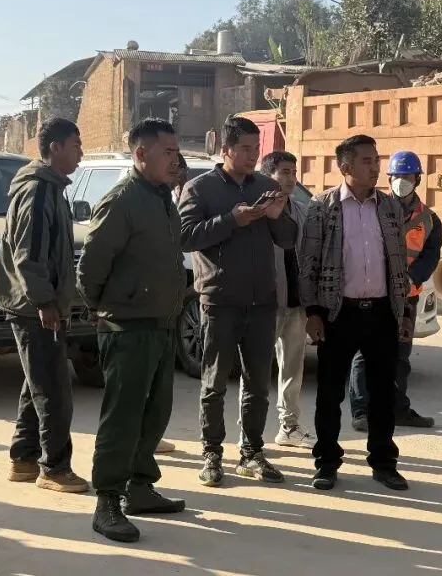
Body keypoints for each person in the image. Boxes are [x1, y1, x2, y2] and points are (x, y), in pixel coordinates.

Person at [79, 118, 188, 543]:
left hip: (161, 324)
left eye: (176, 151)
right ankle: (107, 500)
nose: (175, 160)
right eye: (167, 152)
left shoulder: (162, 198)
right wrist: (102, 307)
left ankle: (140, 487)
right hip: (127, 327)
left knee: (154, 412)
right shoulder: (122, 200)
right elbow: (91, 266)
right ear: (141, 154)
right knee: (122, 418)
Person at [179, 116, 297, 487]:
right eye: (245, 148)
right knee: (214, 384)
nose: (252, 155)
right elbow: (185, 237)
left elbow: (289, 239)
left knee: (258, 384)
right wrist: (232, 219)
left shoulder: (267, 186)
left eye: (256, 148)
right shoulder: (200, 189)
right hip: (220, 300)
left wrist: (276, 217)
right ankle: (212, 454)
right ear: (225, 150)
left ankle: (251, 453)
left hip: (262, 302)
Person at [299, 134, 411, 492]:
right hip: (338, 313)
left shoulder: (390, 207)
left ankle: (384, 462)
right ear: (345, 166)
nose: (375, 167)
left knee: (382, 393)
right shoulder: (322, 207)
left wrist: (404, 312)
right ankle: (326, 462)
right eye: (366, 160)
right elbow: (308, 264)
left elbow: (399, 263)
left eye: (376, 160)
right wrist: (313, 312)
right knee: (330, 394)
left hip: (381, 312)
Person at [0, 118, 88, 494]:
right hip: (33, 306)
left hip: (37, 302)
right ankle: (55, 468)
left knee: (39, 382)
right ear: (55, 148)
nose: (81, 153)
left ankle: (24, 458)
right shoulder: (38, 190)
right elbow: (28, 255)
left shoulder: (52, 188)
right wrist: (45, 302)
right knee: (54, 390)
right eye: (75, 145)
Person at [348, 150, 441, 433]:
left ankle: (397, 409)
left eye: (407, 176)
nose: (401, 181)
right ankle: (362, 411)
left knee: (399, 356)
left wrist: (410, 279)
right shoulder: (373, 209)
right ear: (388, 179)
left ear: (417, 179)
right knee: (365, 355)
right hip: (374, 294)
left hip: (407, 297)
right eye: (396, 176)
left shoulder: (429, 219)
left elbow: (430, 256)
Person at [257, 151, 315, 449]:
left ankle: (289, 427)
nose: (291, 178)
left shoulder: (302, 211)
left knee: (293, 369)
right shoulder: (257, 211)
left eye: (293, 172)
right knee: (255, 372)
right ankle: (249, 433)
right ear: (268, 175)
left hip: (296, 303)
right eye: (284, 172)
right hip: (266, 303)